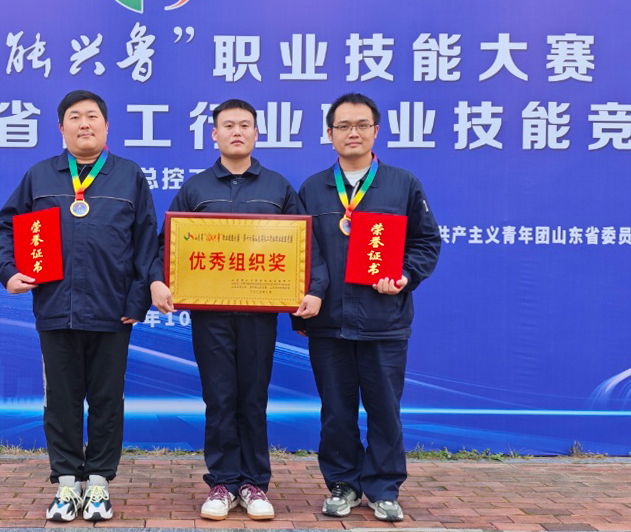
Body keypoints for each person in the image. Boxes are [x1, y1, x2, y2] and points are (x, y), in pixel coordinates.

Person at [149, 99, 326, 521]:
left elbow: (306, 248)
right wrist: (157, 280)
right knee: (219, 396)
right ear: (214, 134)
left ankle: (254, 483)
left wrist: (315, 289)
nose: (237, 132)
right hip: (209, 316)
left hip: (258, 315)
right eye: (228, 125)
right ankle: (223, 483)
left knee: (252, 397)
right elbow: (165, 246)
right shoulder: (195, 189)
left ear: (256, 134)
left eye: (245, 125)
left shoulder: (279, 188)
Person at [0, 90, 157, 523]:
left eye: (93, 116)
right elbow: (6, 227)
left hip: (112, 311)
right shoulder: (40, 176)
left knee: (106, 400)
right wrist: (7, 271)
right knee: (60, 401)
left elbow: (146, 244)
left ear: (106, 125)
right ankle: (66, 483)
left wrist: (137, 300)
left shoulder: (129, 176)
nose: (85, 124)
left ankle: (98, 483)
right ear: (61, 128)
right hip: (56, 309)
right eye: (75, 117)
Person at [292, 93, 441, 522]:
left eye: (361, 125)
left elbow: (426, 242)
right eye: (343, 126)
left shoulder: (403, 184)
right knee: (336, 411)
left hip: (384, 321)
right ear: (329, 134)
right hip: (329, 322)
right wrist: (301, 311)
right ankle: (342, 483)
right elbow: (301, 252)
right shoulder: (313, 188)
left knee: (384, 410)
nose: (352, 133)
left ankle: (383, 487)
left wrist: (405, 276)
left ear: (375, 131)